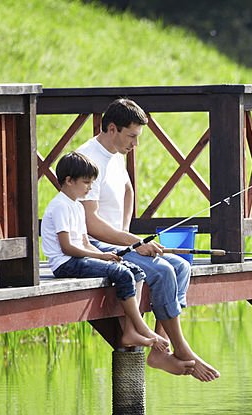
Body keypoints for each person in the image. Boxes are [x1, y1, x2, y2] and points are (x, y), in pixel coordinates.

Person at [76, 98, 220, 382]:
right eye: (132, 136)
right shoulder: (88, 159)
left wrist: (126, 234)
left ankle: (158, 349)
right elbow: (90, 224)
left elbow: (128, 189)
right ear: (112, 128)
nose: (135, 145)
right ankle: (181, 349)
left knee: (180, 266)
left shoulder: (115, 154)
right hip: (96, 246)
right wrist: (132, 242)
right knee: (163, 270)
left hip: (118, 241)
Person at [41, 152, 169, 353]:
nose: (90, 187)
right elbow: (67, 247)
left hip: (80, 257)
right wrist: (101, 256)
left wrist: (110, 257)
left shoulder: (77, 206)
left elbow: (84, 242)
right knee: (122, 273)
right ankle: (139, 328)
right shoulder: (59, 206)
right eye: (86, 182)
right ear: (68, 181)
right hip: (65, 263)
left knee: (135, 271)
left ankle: (130, 329)